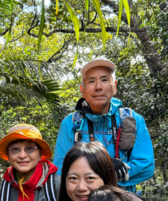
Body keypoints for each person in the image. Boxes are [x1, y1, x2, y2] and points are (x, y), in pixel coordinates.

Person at [52, 57, 155, 190]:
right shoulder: (71, 124)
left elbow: (146, 166)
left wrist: (107, 173)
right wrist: (107, 168)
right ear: (82, 90)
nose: (98, 87)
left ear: (114, 87)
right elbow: (61, 170)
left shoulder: (132, 119)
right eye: (91, 81)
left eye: (104, 80)